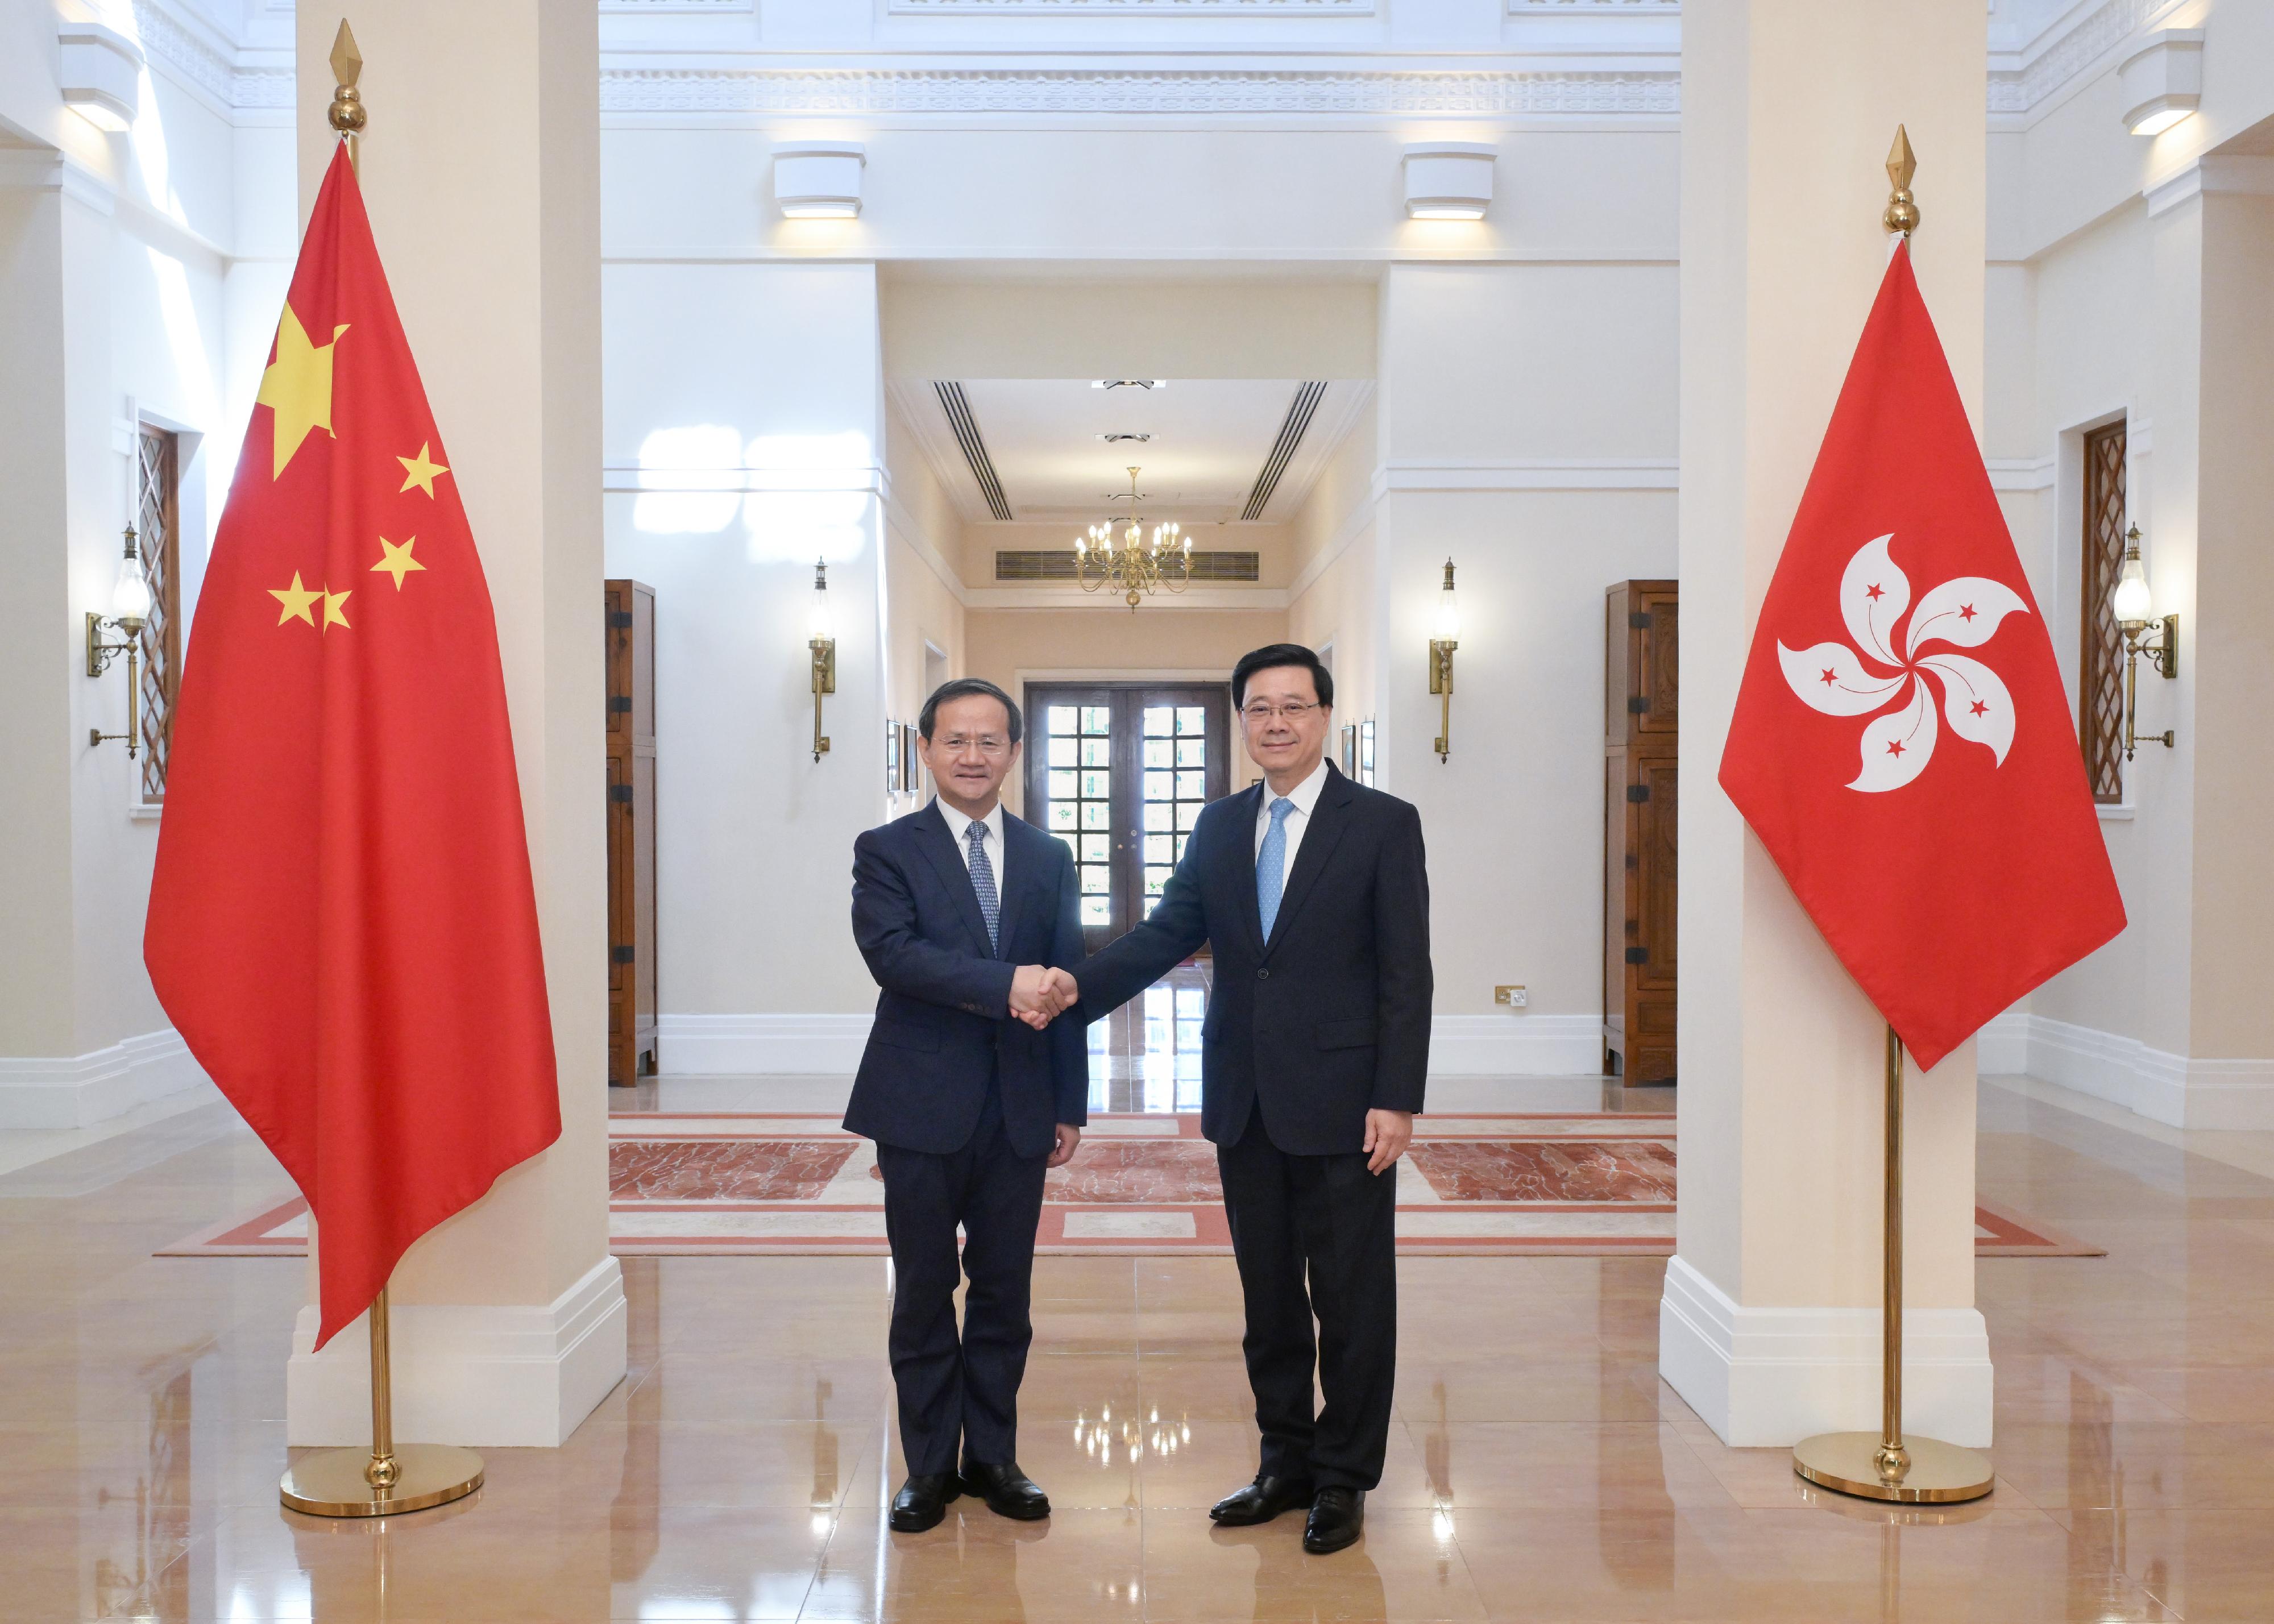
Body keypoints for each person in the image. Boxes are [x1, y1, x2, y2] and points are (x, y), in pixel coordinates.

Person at [1039, 643, 1431, 1555]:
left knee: (1354, 1298)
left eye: (1295, 706)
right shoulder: (1219, 826)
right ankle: (1284, 1460)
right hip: (1246, 1101)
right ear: (1241, 720)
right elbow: (1170, 930)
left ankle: (1343, 1475)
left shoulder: (1381, 822)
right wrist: (1072, 994)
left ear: (1325, 717)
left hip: (1346, 1104)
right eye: (1260, 708)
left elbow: (1406, 972)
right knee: (1270, 1299)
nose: (1278, 723)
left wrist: (1397, 1097)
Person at [845, 676, 1086, 1534]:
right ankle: (927, 1467)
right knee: (921, 1290)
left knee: (1003, 1292)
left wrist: (1071, 1103)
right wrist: (1005, 980)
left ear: (1015, 753)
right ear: (925, 749)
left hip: (1020, 1106)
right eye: (956, 740)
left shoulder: (1048, 856)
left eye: (991, 741)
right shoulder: (886, 849)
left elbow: (1065, 986)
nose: (973, 755)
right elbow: (896, 957)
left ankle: (993, 1456)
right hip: (917, 1103)